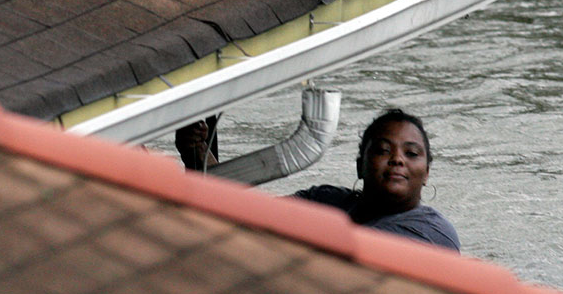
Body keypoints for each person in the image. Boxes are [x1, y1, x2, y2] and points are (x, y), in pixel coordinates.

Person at [175, 108, 460, 252]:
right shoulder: (326, 199)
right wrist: (198, 156)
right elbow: (248, 215)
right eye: (383, 150)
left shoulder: (431, 233)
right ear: (359, 166)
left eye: (411, 153)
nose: (397, 159)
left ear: (427, 173)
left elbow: (347, 258)